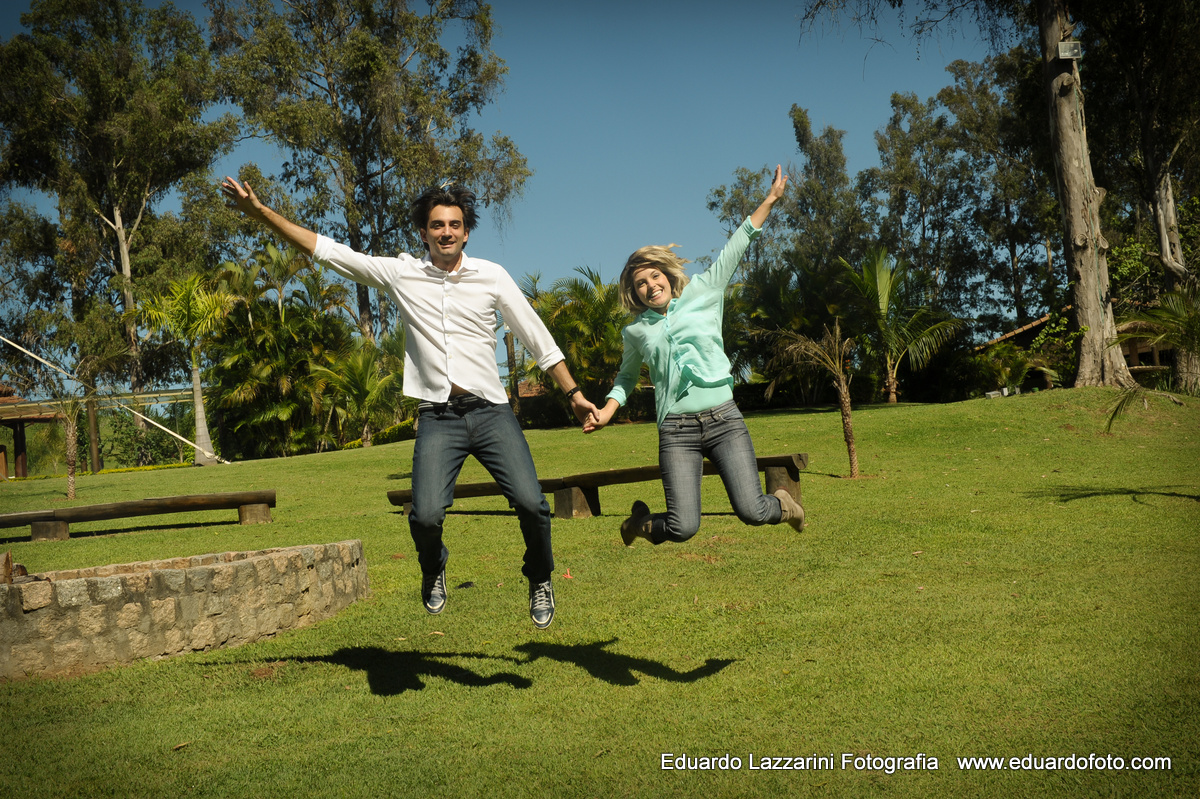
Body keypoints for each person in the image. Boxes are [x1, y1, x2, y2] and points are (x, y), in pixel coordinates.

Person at [221, 176, 598, 629]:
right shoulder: (403, 274)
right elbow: (331, 252)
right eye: (437, 225)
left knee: (532, 504)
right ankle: (434, 565)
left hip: (490, 413)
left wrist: (573, 394)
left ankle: (539, 577)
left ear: (466, 231)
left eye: (454, 224)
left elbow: (538, 339)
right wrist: (260, 212)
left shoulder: (492, 276)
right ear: (423, 232)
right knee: (425, 516)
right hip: (438, 417)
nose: (446, 232)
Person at [582, 165, 804, 546]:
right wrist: (606, 411)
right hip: (676, 430)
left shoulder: (704, 290)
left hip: (723, 419)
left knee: (751, 510)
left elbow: (738, 244)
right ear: (634, 294)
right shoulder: (635, 330)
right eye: (640, 284)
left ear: (666, 275)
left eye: (654, 277)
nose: (650, 286)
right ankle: (638, 524)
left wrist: (769, 201)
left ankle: (784, 504)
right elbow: (626, 378)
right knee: (684, 527)